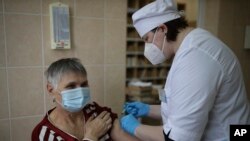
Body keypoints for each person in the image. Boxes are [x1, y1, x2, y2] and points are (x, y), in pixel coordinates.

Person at [120, 0, 250, 141]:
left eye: (147, 39)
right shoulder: (190, 46)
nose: (147, 47)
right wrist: (147, 109)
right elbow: (182, 110)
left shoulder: (195, 57)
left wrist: (134, 127)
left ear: (162, 29)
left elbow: (179, 138)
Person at [32, 58, 140, 141]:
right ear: (51, 89)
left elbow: (120, 135)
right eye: (71, 86)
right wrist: (91, 137)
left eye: (84, 84)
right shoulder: (44, 133)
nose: (80, 92)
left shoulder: (94, 111)